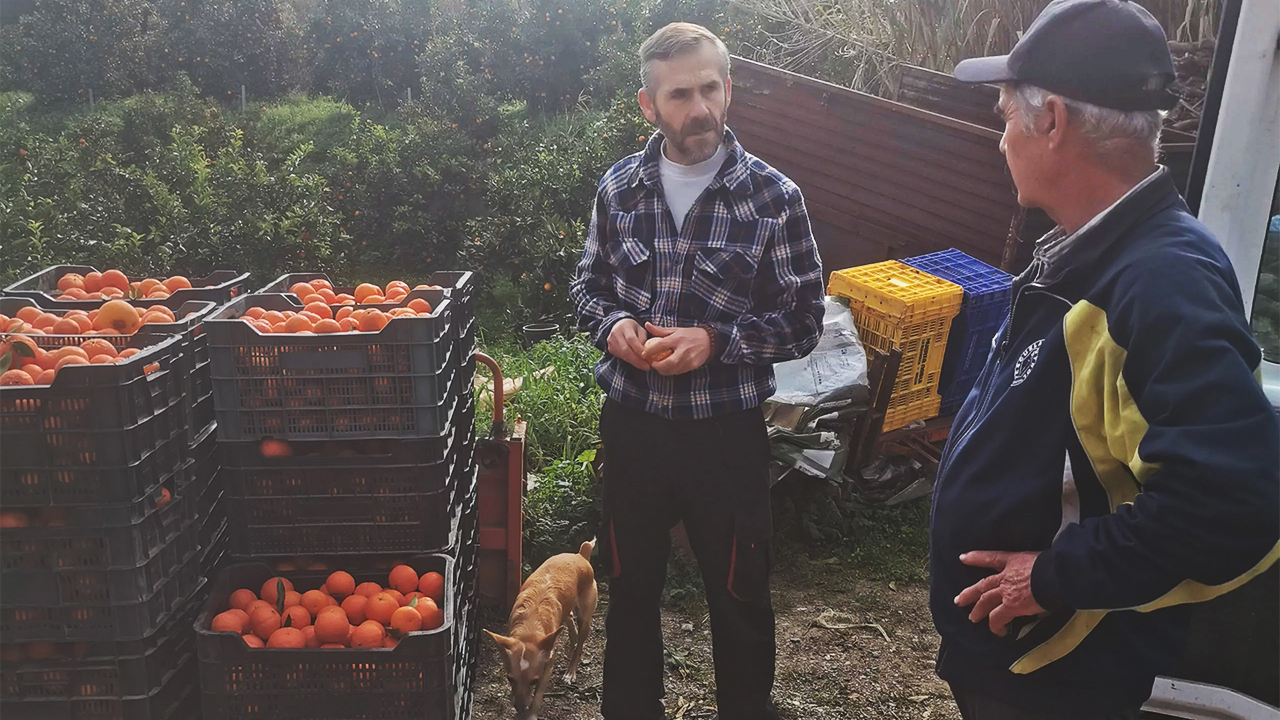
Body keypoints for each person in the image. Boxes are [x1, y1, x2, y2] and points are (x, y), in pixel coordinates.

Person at [930, 0, 1280, 718]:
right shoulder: (1092, 250)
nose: (1000, 140)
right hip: (1021, 660)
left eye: (1003, 116)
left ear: (1052, 120)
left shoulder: (1160, 281)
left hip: (1061, 676)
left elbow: (1234, 502)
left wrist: (1055, 579)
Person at [568, 21, 825, 720]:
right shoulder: (620, 189)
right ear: (649, 105)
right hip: (635, 429)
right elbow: (587, 286)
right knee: (629, 585)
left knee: (741, 590)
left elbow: (805, 319)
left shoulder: (775, 199)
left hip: (726, 433)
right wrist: (613, 326)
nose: (700, 107)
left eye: (710, 88)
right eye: (680, 94)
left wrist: (717, 341)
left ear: (729, 88)